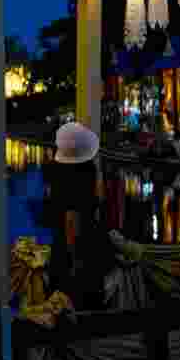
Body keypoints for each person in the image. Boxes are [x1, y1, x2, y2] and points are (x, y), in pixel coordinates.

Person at [42, 122, 104, 309]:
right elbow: (73, 217)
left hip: (61, 240)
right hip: (81, 242)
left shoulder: (56, 171)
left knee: (61, 293)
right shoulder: (86, 172)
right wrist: (74, 257)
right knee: (80, 291)